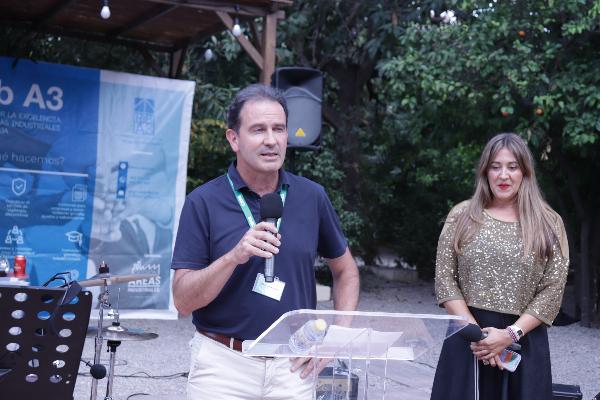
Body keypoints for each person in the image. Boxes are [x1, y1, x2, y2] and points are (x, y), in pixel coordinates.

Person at [171, 84, 360, 399]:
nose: (271, 140)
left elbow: (346, 271)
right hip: (223, 366)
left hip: (294, 367)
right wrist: (234, 256)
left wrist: (337, 336)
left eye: (279, 129)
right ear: (234, 139)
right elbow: (183, 301)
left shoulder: (312, 196)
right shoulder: (203, 202)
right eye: (258, 130)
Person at [431, 133, 569, 400]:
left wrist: (510, 335)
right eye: (495, 167)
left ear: (525, 172)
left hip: (524, 342)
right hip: (467, 340)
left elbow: (553, 289)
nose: (503, 175)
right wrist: (477, 335)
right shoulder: (462, 216)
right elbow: (445, 279)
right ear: (485, 171)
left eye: (512, 167)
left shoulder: (549, 222)